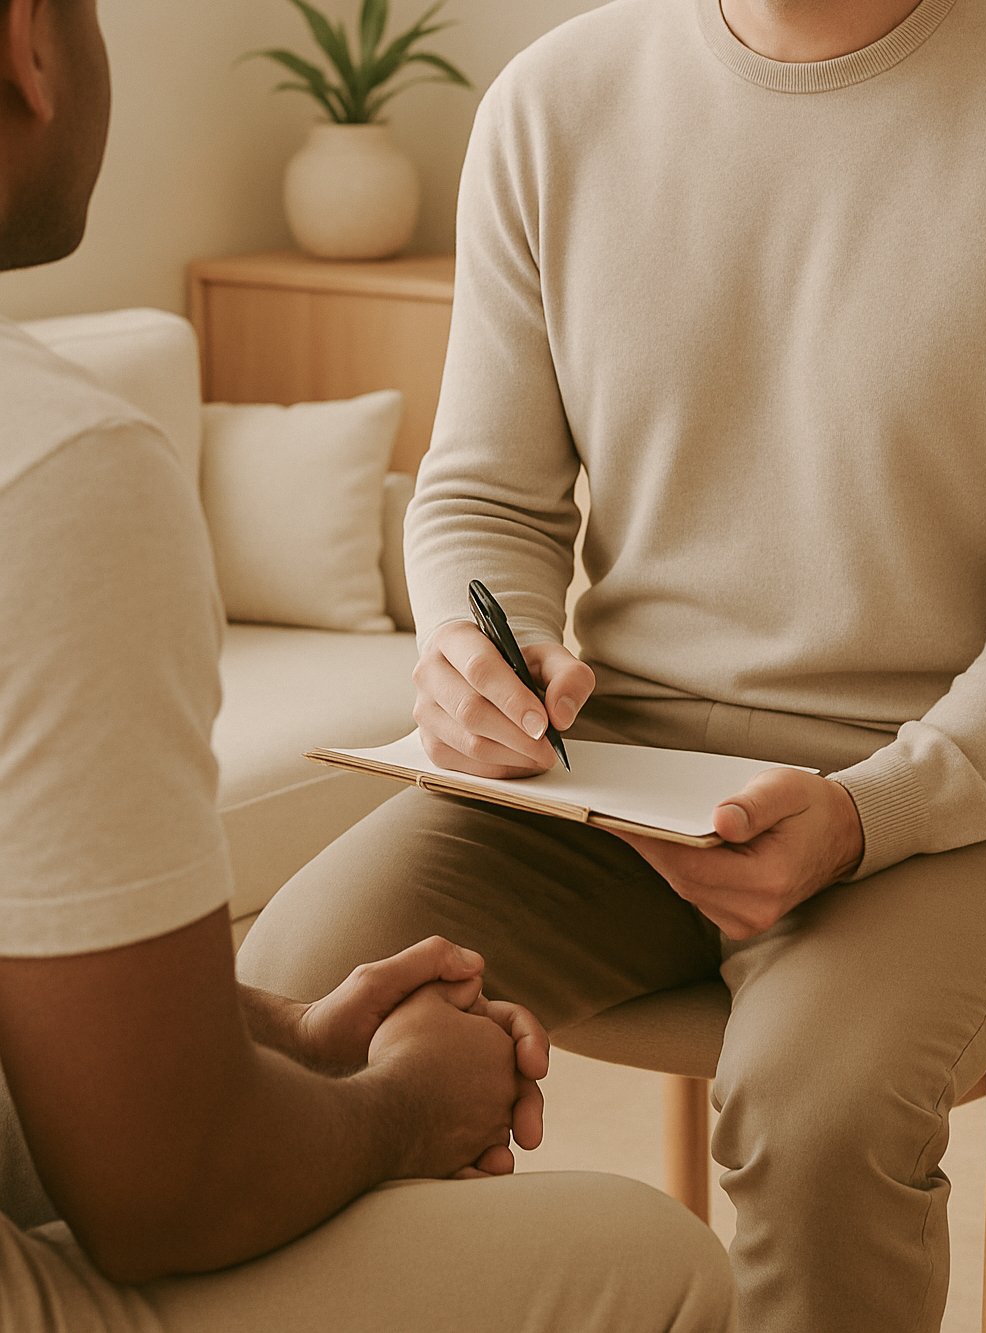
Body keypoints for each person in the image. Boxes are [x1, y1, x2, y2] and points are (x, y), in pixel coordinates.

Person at [237, 0, 986, 1330]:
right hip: (617, 775)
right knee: (300, 1010)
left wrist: (867, 814)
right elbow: (484, 492)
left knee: (817, 1113)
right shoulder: (554, 101)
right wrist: (475, 648)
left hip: (945, 791)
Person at [0, 0, 738, 1329]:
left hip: (888, 802)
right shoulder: (56, 471)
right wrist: (406, 1104)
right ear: (25, 44)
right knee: (663, 1256)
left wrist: (291, 1036)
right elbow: (164, 1187)